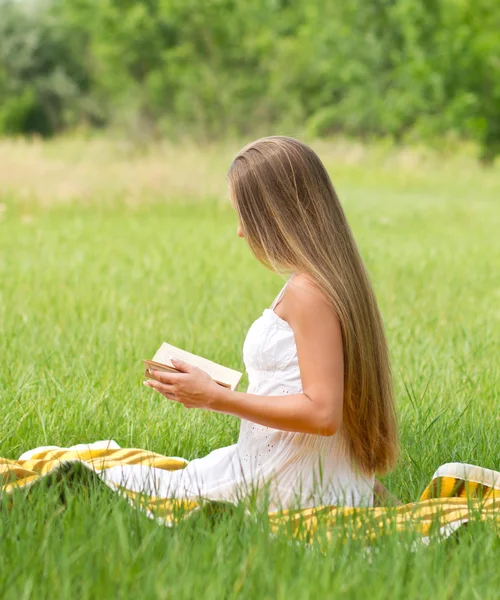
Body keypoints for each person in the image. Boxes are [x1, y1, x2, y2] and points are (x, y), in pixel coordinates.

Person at [106, 136, 400, 510]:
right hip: (286, 468)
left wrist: (216, 398)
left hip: (290, 485)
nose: (241, 231)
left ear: (275, 213)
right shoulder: (328, 281)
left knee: (98, 477)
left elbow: (324, 414)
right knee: (110, 471)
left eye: (244, 214)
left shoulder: (309, 292)